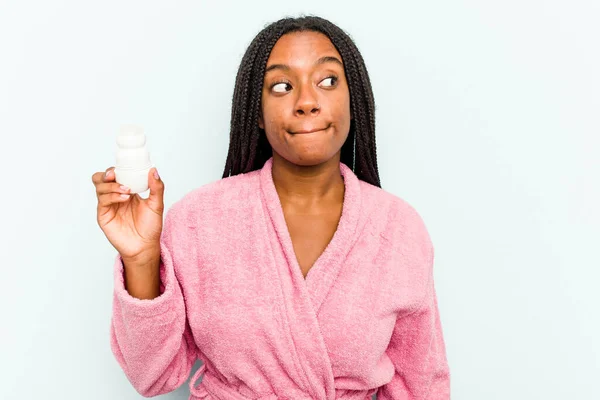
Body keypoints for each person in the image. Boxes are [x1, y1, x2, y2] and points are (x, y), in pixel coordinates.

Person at [92, 15, 450, 400]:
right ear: (257, 114)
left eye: (327, 81)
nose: (307, 102)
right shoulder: (199, 221)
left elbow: (421, 388)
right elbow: (152, 375)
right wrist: (142, 259)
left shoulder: (399, 229)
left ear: (354, 98)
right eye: (281, 86)